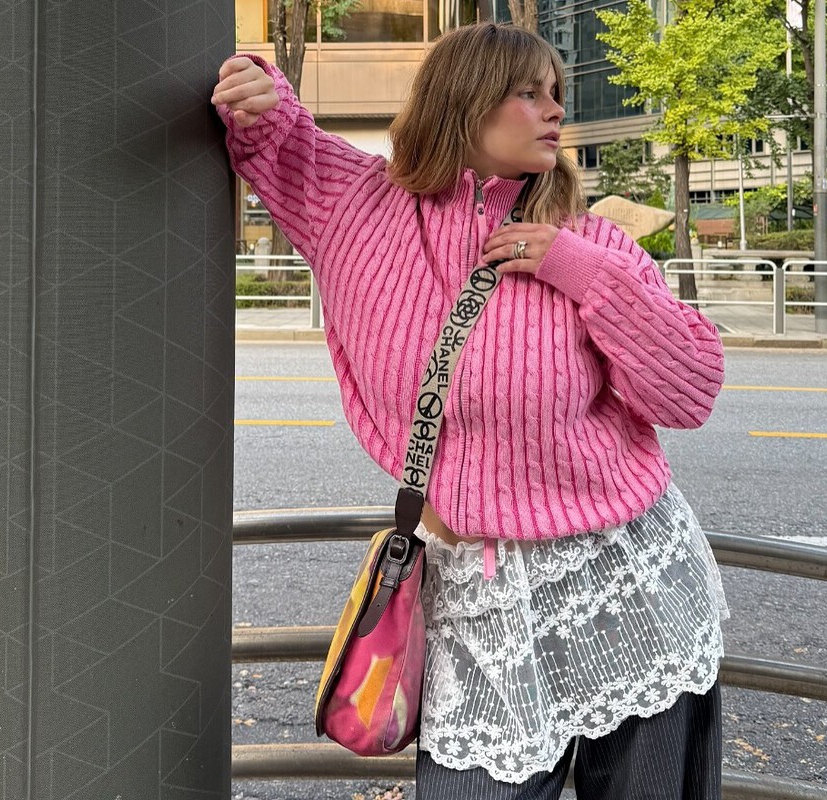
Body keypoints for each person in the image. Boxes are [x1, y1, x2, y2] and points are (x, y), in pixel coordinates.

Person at [213, 22, 728, 799]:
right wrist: (256, 81)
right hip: (473, 601)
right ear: (463, 101)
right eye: (529, 92)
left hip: (624, 586)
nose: (554, 110)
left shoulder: (592, 244)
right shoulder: (359, 209)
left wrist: (580, 270)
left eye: (556, 93)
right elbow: (280, 138)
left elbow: (689, 392)